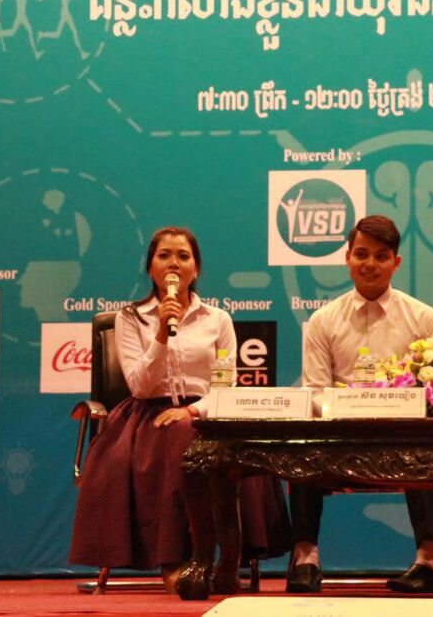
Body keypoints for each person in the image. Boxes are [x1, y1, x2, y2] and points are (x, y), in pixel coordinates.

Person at [68, 227, 290, 591]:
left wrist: (193, 411)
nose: (174, 263)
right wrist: (160, 332)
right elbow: (139, 386)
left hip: (207, 412)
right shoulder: (130, 318)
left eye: (183, 256)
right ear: (151, 268)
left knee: (200, 434)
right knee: (177, 435)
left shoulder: (217, 319)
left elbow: (226, 384)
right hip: (147, 415)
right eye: (164, 255)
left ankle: (224, 560)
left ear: (196, 268)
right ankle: (176, 561)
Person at [290, 215, 433, 594]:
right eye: (361, 254)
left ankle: (430, 560)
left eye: (381, 256)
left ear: (396, 262)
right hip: (341, 437)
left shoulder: (424, 318)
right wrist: (349, 412)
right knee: (300, 440)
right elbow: (315, 391)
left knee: (423, 437)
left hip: (403, 436)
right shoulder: (323, 321)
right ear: (347, 258)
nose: (370, 263)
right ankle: (305, 557)